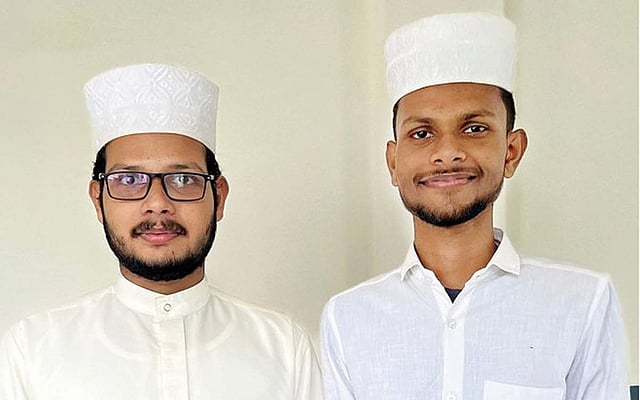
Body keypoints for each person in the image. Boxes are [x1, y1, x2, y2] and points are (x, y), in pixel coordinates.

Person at [320, 12, 628, 400]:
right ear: (394, 163)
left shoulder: (583, 303)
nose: (447, 152)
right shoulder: (347, 319)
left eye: (474, 128)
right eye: (422, 133)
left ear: (511, 152)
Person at [0, 63, 322, 399]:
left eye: (183, 179)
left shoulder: (284, 349)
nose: (157, 204)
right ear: (98, 200)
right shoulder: (33, 351)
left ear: (219, 197)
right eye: (128, 180)